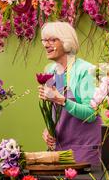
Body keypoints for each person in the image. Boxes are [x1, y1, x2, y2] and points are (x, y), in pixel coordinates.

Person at [38, 21, 102, 166]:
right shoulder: (50, 71)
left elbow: (91, 114)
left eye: (52, 40)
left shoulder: (85, 70)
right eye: (45, 40)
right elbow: (56, 114)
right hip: (59, 149)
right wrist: (49, 131)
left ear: (66, 42)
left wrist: (62, 100)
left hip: (84, 149)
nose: (46, 45)